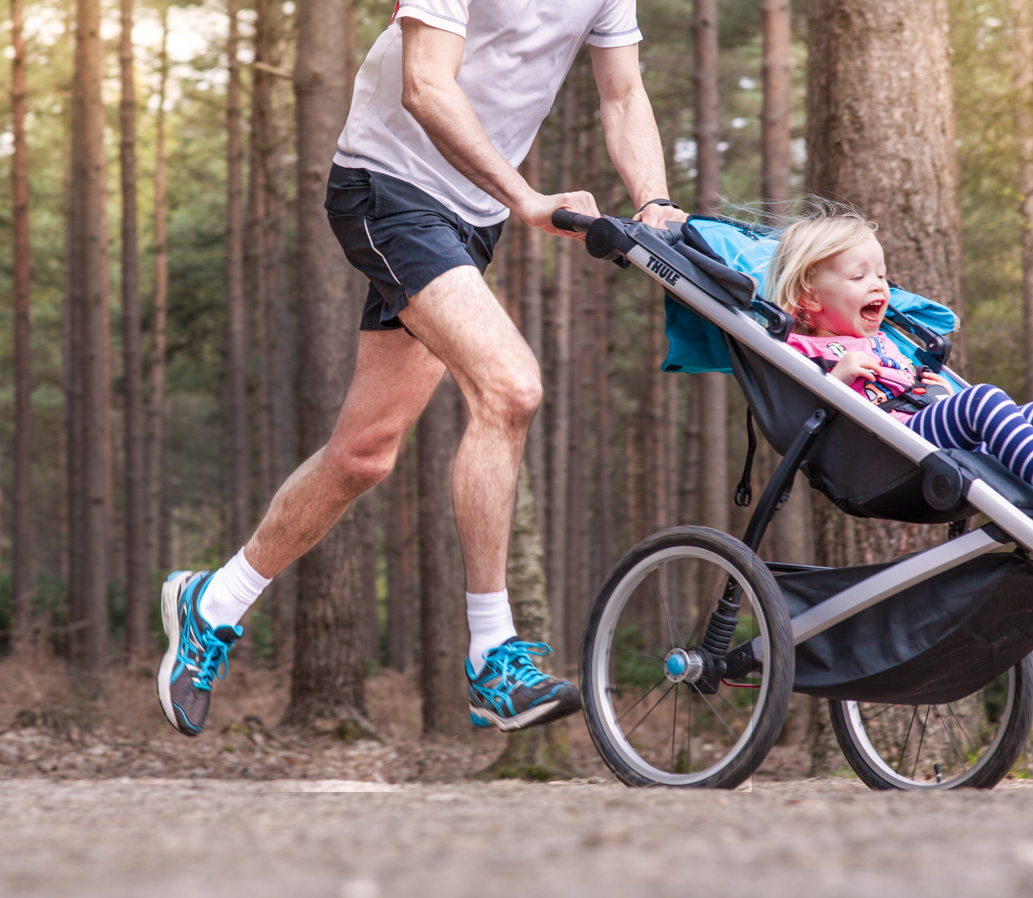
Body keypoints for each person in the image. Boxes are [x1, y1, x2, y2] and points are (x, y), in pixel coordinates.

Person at [157, 0, 687, 738]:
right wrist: (528, 198)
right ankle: (492, 658)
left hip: (468, 218)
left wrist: (654, 201)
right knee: (511, 389)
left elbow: (623, 92)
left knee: (363, 454)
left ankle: (212, 603)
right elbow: (425, 86)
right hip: (388, 187)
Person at [766, 212, 1033, 537]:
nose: (879, 286)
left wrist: (925, 385)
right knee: (983, 400)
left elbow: (906, 382)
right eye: (860, 276)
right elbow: (798, 415)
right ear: (809, 296)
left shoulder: (881, 340)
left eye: (882, 275)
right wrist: (835, 379)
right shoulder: (799, 349)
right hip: (884, 452)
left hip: (922, 427)